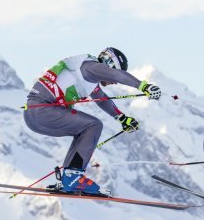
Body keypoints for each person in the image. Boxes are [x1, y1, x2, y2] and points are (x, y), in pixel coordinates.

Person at [23, 47, 162, 194]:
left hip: (32, 115)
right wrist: (143, 86)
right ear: (110, 64)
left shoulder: (87, 73)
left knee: (83, 131)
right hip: (44, 111)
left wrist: (122, 118)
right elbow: (116, 75)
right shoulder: (92, 67)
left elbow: (102, 100)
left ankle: (69, 179)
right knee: (93, 126)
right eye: (113, 78)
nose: (114, 83)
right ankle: (73, 178)